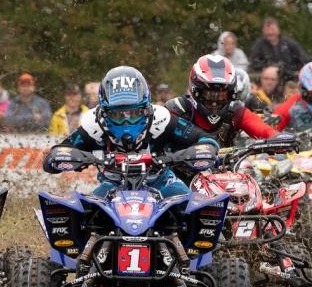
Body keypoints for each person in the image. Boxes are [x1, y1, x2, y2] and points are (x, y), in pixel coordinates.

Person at [44, 66, 217, 198]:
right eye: (118, 115)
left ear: (146, 110)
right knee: (87, 214)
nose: (126, 121)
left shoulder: (161, 119)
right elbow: (55, 156)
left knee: (190, 205)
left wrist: (199, 151)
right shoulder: (94, 126)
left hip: (161, 182)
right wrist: (61, 158)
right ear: (104, 113)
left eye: (133, 113)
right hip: (112, 186)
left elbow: (206, 140)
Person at [165, 55, 277, 147]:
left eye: (221, 96)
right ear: (196, 91)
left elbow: (263, 129)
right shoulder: (176, 109)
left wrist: (277, 138)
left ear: (231, 94)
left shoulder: (235, 111)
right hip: (178, 173)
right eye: (209, 95)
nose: (214, 103)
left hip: (227, 172)